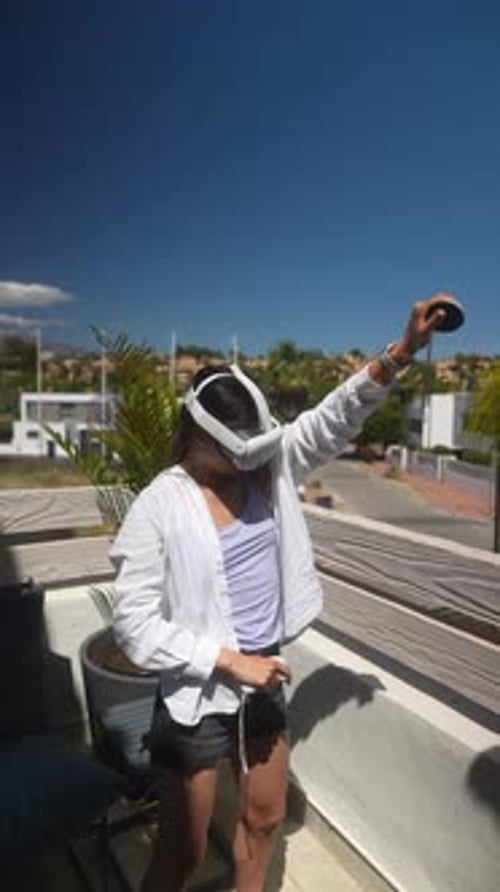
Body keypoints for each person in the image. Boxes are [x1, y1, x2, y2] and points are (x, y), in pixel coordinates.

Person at [110, 294, 451, 892]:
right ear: (196, 434)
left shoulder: (267, 467)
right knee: (183, 851)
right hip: (197, 690)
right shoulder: (159, 505)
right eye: (230, 455)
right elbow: (132, 624)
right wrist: (225, 659)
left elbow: (332, 418)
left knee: (265, 818)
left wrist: (401, 352)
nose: (246, 467)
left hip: (263, 672)